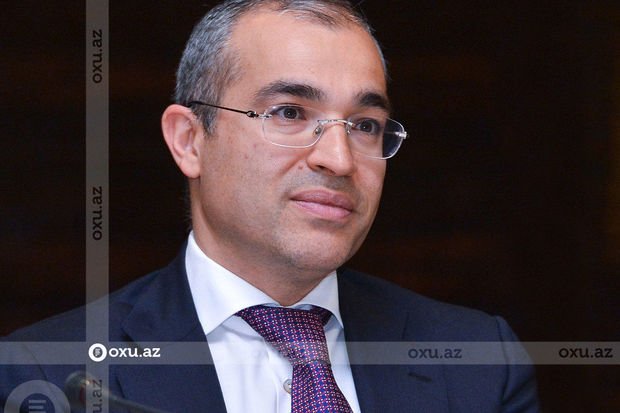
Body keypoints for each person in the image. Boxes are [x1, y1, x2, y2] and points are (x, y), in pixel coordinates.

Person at [1, 1, 540, 412]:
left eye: (365, 125)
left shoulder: (479, 362)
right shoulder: (48, 375)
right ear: (190, 140)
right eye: (289, 113)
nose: (338, 158)